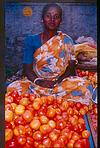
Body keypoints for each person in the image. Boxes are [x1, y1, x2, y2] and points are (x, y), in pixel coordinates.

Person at [7, 3, 92, 105]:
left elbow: (71, 66)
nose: (52, 20)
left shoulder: (67, 40)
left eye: (56, 17)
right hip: (36, 83)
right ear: (42, 19)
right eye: (48, 16)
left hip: (60, 83)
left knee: (86, 86)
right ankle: (55, 99)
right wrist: (39, 81)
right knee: (13, 88)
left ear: (60, 20)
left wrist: (58, 81)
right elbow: (27, 69)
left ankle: (45, 99)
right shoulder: (31, 40)